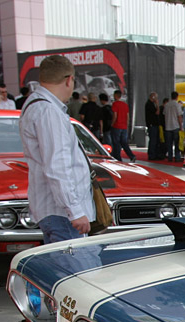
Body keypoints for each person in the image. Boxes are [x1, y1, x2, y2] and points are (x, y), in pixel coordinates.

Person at [18, 54, 93, 244]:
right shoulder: (49, 112)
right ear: (69, 80)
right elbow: (57, 166)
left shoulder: (36, 105)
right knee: (78, 270)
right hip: (63, 215)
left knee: (62, 268)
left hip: (55, 210)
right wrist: (75, 211)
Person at [109, 90, 136, 162]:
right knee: (124, 143)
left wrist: (112, 123)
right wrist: (126, 125)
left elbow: (115, 115)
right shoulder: (125, 105)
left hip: (117, 126)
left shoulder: (115, 104)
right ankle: (131, 156)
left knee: (116, 143)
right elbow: (127, 116)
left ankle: (118, 158)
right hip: (124, 126)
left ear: (115, 96)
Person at [163, 91, 183, 162]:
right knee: (177, 144)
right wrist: (181, 126)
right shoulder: (177, 105)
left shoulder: (167, 105)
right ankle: (177, 157)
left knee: (169, 144)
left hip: (168, 126)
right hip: (175, 126)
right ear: (177, 97)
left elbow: (164, 115)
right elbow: (179, 116)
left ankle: (170, 157)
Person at [144, 92, 162, 160]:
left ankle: (155, 154)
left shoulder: (150, 104)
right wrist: (157, 104)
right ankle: (152, 155)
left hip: (154, 125)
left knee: (155, 140)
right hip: (152, 125)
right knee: (153, 140)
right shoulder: (149, 104)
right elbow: (157, 112)